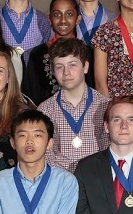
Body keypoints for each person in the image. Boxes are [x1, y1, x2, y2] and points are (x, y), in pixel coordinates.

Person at [41, 37, 111, 172]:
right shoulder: (45, 110)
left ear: (85, 67)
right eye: (59, 67)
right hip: (60, 182)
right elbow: (45, 154)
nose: (66, 72)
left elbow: (110, 149)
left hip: (96, 177)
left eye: (72, 65)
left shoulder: (105, 106)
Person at [23, 0, 79, 105]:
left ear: (78, 19)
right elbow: (31, 97)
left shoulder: (88, 53)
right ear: (49, 19)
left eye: (69, 14)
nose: (63, 20)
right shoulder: (37, 54)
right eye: (57, 15)